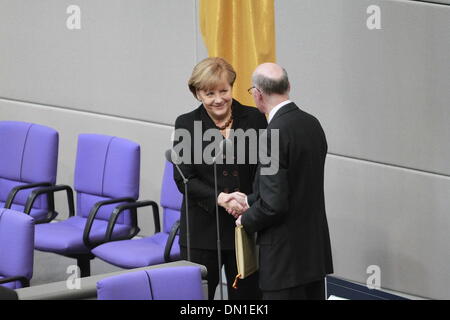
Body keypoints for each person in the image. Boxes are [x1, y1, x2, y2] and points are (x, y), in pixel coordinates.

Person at [232, 62, 334, 300]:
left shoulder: (271, 135)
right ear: (288, 86)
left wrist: (245, 219)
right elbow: (297, 185)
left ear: (257, 94)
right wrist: (249, 199)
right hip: (313, 256)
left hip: (283, 261)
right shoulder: (312, 124)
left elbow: (273, 205)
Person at [172, 57, 267, 300]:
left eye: (223, 91)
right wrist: (221, 198)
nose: (218, 99)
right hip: (202, 233)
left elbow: (265, 169)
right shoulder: (186, 124)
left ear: (232, 87)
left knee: (247, 301)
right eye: (209, 93)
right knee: (198, 301)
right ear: (197, 94)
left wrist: (249, 200)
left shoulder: (255, 119)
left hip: (245, 229)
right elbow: (184, 179)